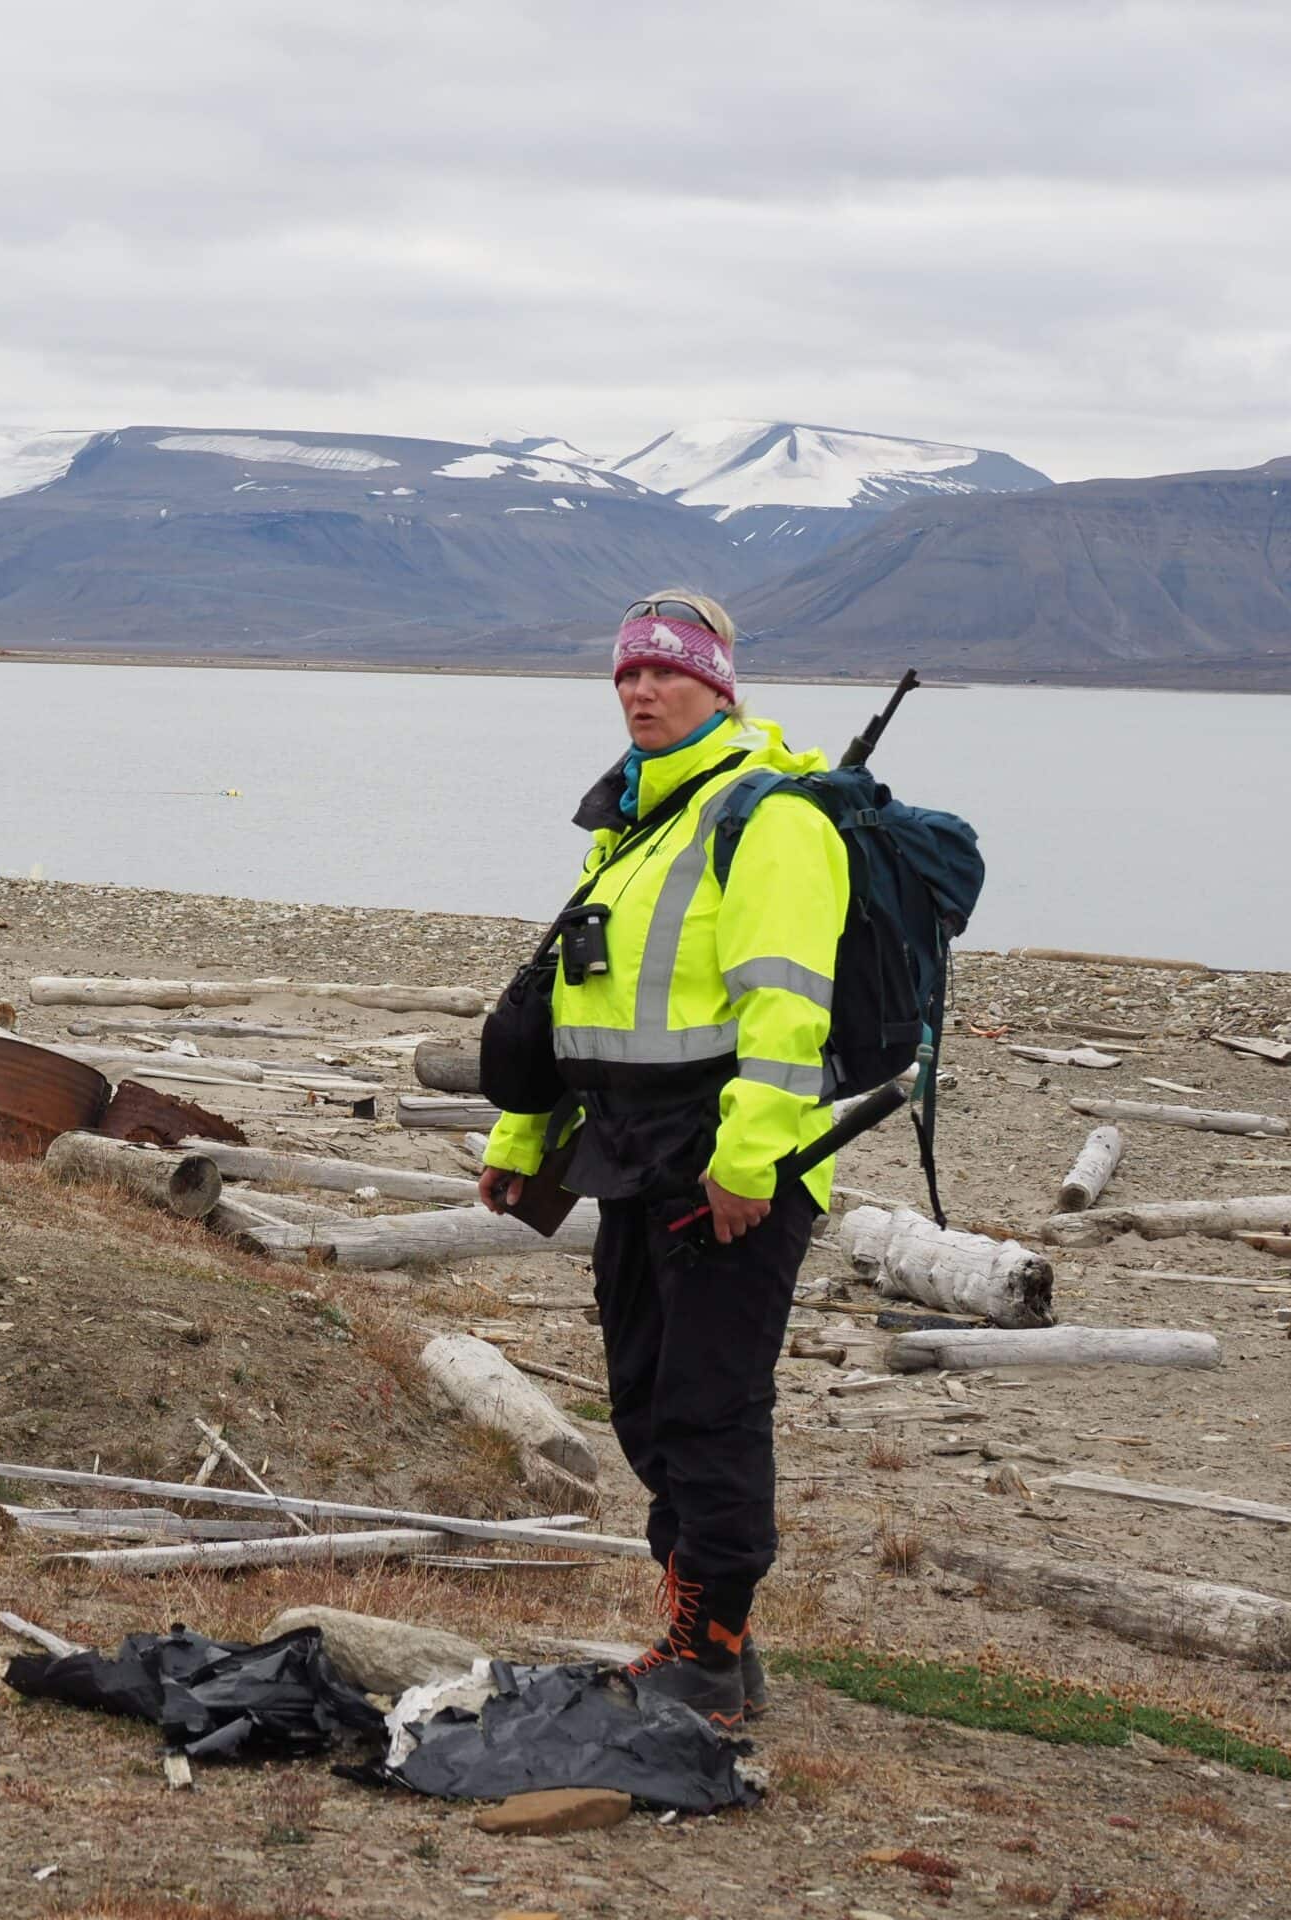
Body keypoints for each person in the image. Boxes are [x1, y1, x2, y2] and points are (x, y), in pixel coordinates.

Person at [478, 588, 848, 1730]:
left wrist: (750, 1166)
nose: (641, 690)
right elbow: (570, 1005)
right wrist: (521, 1137)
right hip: (626, 1159)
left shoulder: (768, 817)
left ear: (718, 688)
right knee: (643, 1404)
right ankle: (706, 1645)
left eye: (666, 674)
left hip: (730, 1170)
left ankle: (708, 1655)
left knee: (707, 1409)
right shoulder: (634, 823)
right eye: (627, 674)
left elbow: (786, 1010)